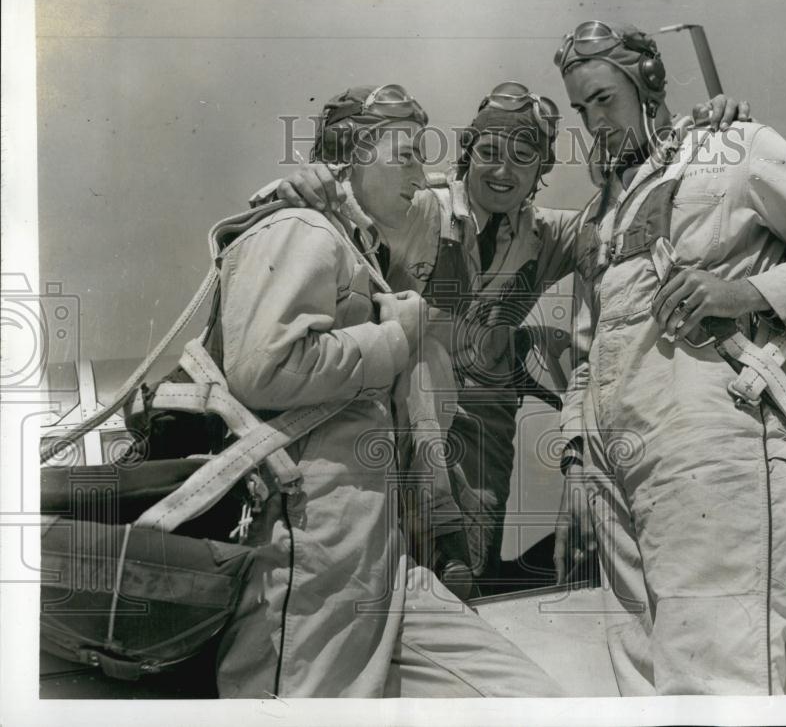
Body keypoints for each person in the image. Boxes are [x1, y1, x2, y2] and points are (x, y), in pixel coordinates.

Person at [271, 80, 749, 594]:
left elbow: (634, 213)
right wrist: (305, 184)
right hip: (404, 410)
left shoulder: (550, 236)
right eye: (490, 153)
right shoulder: (418, 207)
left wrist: (701, 139)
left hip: (486, 423)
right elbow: (350, 204)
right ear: (468, 154)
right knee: (388, 558)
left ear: (541, 171)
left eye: (523, 158)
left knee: (468, 568)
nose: (504, 171)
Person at [551, 20, 786, 695]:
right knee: (641, 690)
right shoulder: (602, 215)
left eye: (604, 99)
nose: (593, 122)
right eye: (580, 108)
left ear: (649, 83)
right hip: (613, 471)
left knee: (714, 684)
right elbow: (588, 353)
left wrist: (743, 292)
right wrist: (576, 461)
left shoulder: (731, 147)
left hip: (711, 447)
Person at [214, 84, 563, 697]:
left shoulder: (369, 256)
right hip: (323, 527)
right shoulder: (310, 224)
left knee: (529, 697)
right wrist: (398, 336)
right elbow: (263, 366)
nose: (420, 175)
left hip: (392, 531)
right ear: (348, 156)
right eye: (405, 155)